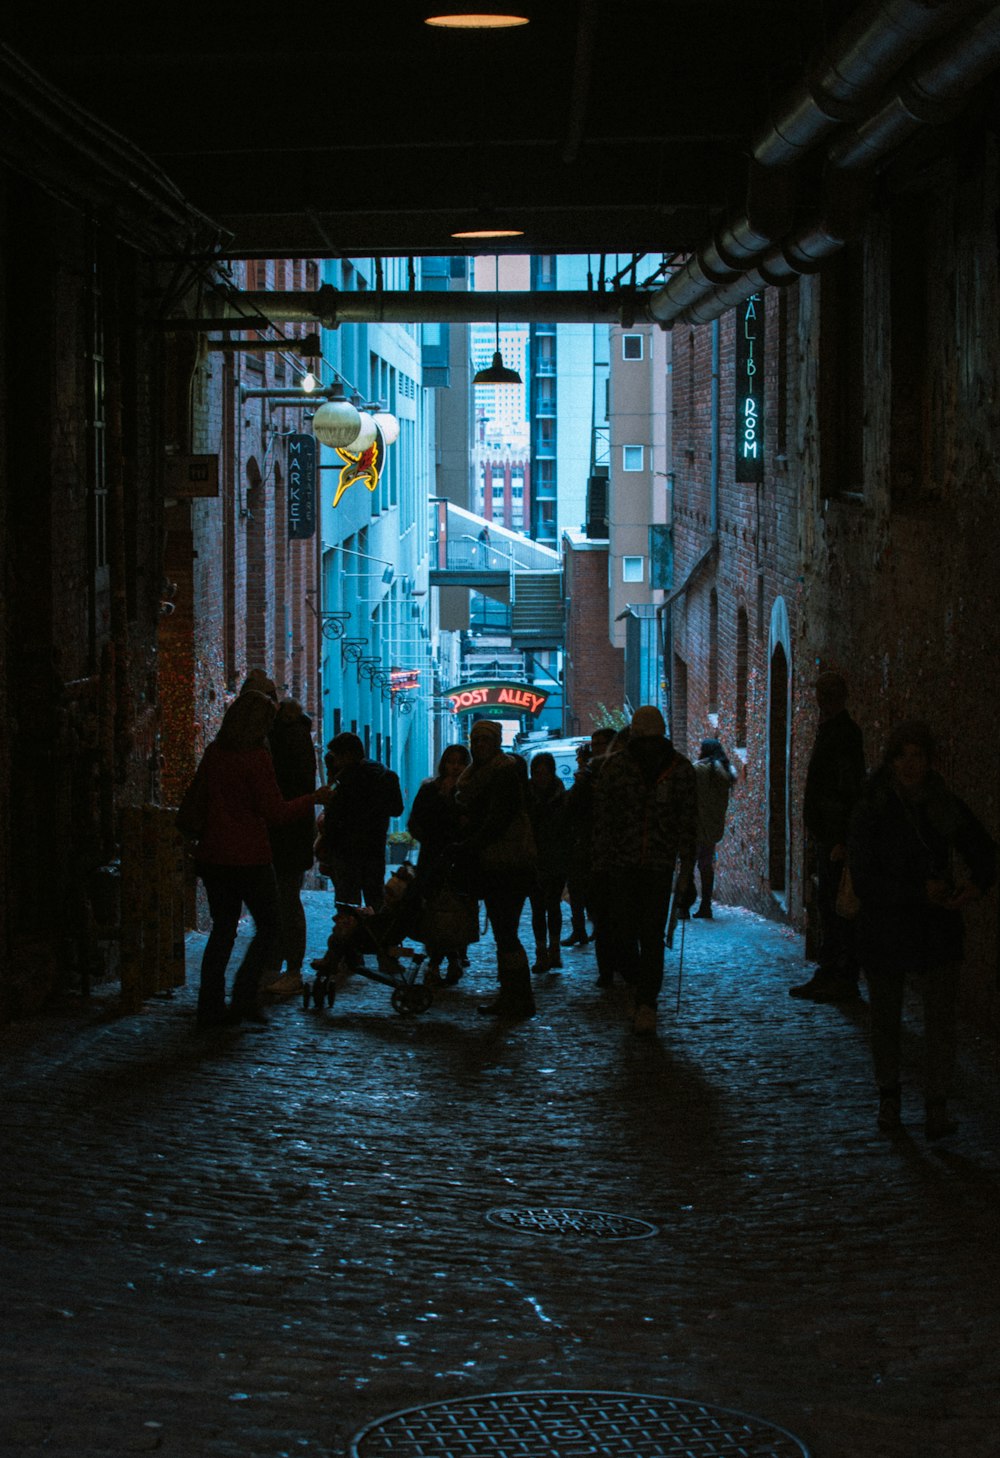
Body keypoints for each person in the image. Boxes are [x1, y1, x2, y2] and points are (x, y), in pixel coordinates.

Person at [848, 721, 996, 1139]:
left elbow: (983, 851)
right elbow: (865, 877)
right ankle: (889, 1097)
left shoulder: (943, 803)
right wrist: (918, 891)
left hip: (936, 927)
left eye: (918, 756)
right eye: (903, 756)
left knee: (940, 1022)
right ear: (891, 760)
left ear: (929, 761)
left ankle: (936, 1104)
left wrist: (972, 887)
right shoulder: (873, 805)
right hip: (887, 926)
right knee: (886, 1019)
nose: (911, 765)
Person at [190, 690, 332, 1029]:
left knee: (222, 931)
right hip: (249, 856)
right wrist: (314, 798)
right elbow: (275, 812)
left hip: (213, 856)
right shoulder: (255, 757)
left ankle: (209, 1006)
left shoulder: (214, 753)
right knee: (270, 927)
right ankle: (243, 996)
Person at [591, 705, 696, 1034]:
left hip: (647, 864)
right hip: (636, 863)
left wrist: (686, 868)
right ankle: (644, 995)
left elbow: (604, 820)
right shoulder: (626, 768)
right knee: (637, 935)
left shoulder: (669, 770)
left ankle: (645, 999)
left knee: (641, 934)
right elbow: (688, 823)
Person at [790, 670, 867, 1001]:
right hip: (827, 833)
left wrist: (839, 838)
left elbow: (845, 788)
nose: (820, 700)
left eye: (825, 694)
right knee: (828, 904)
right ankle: (832, 972)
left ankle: (841, 976)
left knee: (837, 907)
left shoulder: (843, 734)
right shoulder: (835, 730)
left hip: (834, 837)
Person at [454, 718, 537, 1020]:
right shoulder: (476, 774)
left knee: (507, 932)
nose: (480, 746)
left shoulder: (502, 774)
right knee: (504, 933)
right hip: (494, 862)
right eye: (476, 741)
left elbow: (496, 821)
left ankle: (520, 997)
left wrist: (468, 843)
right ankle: (512, 995)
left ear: (496, 742)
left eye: (485, 741)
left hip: (509, 863)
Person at [262, 698, 318, 998]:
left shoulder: (285, 741)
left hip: (284, 836)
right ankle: (281, 965)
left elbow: (282, 794)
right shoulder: (299, 738)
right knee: (285, 901)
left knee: (283, 902)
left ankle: (283, 967)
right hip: (293, 835)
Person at [407, 743, 474, 982]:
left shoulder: (470, 793)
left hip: (460, 860)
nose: (455, 767)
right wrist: (430, 839)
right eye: (451, 761)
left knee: (457, 910)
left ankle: (455, 956)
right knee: (433, 910)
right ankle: (435, 960)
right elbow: (414, 822)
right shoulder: (429, 790)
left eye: (460, 762)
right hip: (432, 859)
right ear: (443, 763)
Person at [316, 732, 404, 912]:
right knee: (375, 901)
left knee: (347, 904)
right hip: (374, 847)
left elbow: (333, 817)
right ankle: (376, 938)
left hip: (345, 851)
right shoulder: (386, 775)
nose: (336, 761)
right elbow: (397, 809)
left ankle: (350, 938)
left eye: (338, 756)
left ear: (347, 755)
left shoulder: (343, 781)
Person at [526, 751, 569, 973]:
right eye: (536, 772)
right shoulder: (526, 796)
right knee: (537, 908)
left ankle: (554, 950)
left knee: (553, 906)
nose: (540, 777)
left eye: (545, 773)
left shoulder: (562, 797)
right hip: (534, 859)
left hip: (556, 858)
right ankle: (541, 951)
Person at [692, 738, 738, 919]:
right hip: (712, 827)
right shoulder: (725, 772)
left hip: (694, 825)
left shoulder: (699, 770)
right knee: (706, 865)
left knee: (689, 863)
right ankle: (706, 905)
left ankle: (684, 905)